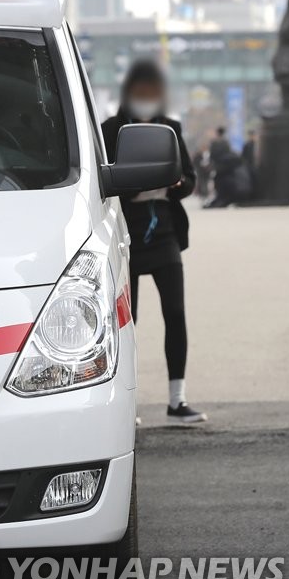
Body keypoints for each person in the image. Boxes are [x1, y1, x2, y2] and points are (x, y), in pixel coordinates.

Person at [102, 60, 206, 424]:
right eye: (140, 91)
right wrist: (135, 183)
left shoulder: (170, 128)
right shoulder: (110, 130)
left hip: (164, 231)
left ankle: (177, 400)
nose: (146, 97)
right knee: (127, 321)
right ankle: (125, 405)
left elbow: (190, 179)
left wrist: (176, 184)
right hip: (126, 234)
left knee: (175, 313)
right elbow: (102, 181)